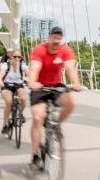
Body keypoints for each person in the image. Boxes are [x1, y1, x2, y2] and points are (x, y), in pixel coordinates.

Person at [26, 27, 82, 170]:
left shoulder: (65, 50)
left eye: (59, 38)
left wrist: (76, 83)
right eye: (54, 38)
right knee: (38, 118)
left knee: (71, 103)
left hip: (56, 86)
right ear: (49, 38)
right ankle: (35, 156)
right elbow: (35, 68)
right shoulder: (39, 50)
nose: (56, 41)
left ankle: (55, 126)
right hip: (39, 87)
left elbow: (70, 68)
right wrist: (33, 82)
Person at [0, 50, 28, 134]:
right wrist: (0, 81)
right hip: (7, 85)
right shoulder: (6, 65)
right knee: (8, 101)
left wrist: (32, 80)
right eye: (15, 57)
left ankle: (20, 113)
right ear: (11, 57)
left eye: (19, 57)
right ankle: (6, 123)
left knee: (23, 98)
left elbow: (28, 72)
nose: (17, 58)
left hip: (18, 85)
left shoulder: (22, 65)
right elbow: (1, 74)